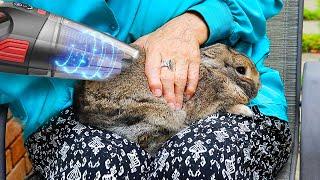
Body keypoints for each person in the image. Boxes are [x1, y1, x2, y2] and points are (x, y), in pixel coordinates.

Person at [0, 0, 291, 179]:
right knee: (97, 170)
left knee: (199, 163)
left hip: (228, 100)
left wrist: (192, 24)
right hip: (73, 115)